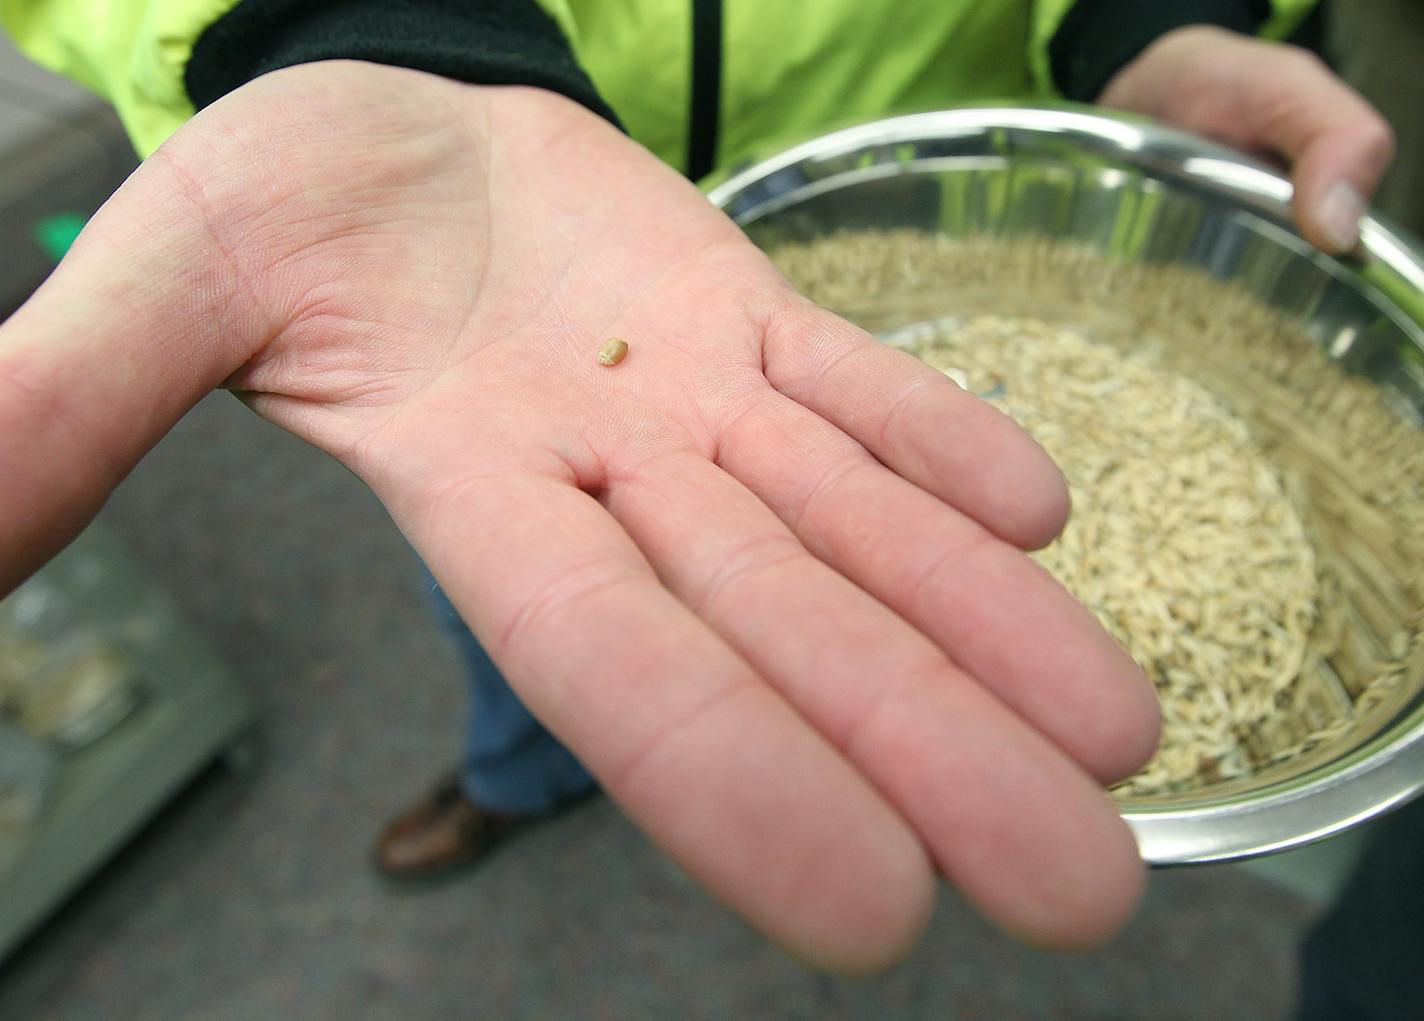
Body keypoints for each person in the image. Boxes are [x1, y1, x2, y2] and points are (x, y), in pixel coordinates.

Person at [0, 0, 1395, 972]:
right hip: (485, 293)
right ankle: (516, 772)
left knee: (848, 606)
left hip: (863, 217)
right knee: (532, 592)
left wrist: (1145, 14)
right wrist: (348, 20)